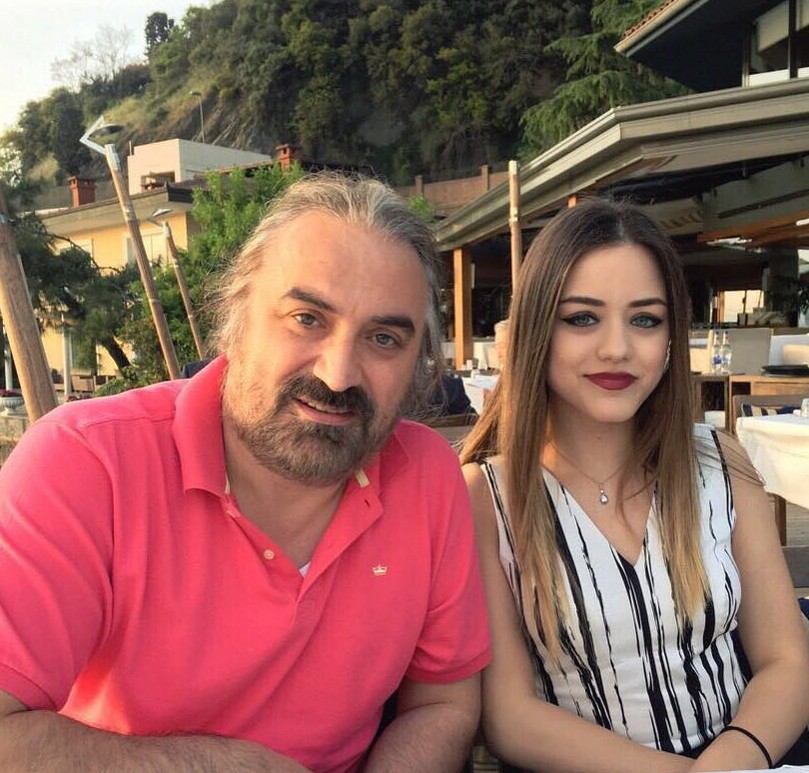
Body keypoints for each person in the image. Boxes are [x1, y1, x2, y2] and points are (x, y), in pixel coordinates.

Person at [0, 173, 490, 773]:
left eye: (384, 338)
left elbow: (442, 702)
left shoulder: (428, 477)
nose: (338, 374)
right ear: (235, 318)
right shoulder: (85, 464)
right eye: (307, 319)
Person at [460, 198, 809, 773]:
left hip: (749, 758)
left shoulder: (718, 461)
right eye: (582, 318)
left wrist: (728, 763)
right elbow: (510, 717)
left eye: (645, 319)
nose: (617, 348)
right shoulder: (486, 496)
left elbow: (787, 659)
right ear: (535, 330)